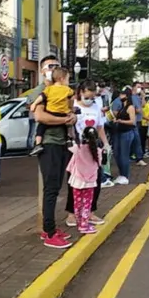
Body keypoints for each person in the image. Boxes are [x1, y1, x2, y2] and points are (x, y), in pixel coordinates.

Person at [34, 54, 77, 249]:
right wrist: (64, 120)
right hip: (48, 143)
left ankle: (50, 228)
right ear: (42, 70)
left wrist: (72, 117)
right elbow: (40, 117)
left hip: (61, 143)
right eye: (49, 66)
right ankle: (49, 232)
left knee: (57, 186)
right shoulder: (40, 92)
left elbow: (71, 109)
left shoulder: (63, 91)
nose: (53, 69)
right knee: (51, 188)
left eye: (56, 66)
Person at [64, 80, 111, 229]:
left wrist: (106, 144)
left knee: (95, 181)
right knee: (74, 182)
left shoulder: (96, 107)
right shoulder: (73, 106)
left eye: (92, 97)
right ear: (80, 92)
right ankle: (72, 213)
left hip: (93, 148)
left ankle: (90, 211)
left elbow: (100, 127)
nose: (90, 100)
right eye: (87, 96)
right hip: (77, 148)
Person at [29, 66, 74, 156]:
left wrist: (34, 104)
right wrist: (70, 109)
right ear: (62, 79)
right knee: (68, 126)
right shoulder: (67, 89)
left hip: (50, 112)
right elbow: (72, 97)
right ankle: (69, 138)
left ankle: (38, 144)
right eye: (67, 79)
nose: (68, 82)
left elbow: (41, 97)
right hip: (63, 113)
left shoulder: (49, 89)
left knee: (41, 127)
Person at [67, 125, 102, 235]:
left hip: (77, 180)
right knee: (87, 203)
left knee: (77, 202)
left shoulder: (77, 149)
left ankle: (78, 222)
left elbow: (70, 156)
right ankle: (84, 224)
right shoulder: (97, 151)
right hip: (90, 181)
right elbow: (100, 164)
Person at [112, 87, 137, 185]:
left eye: (122, 94)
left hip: (127, 133)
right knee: (117, 154)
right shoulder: (122, 106)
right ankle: (121, 174)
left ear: (127, 96)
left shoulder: (130, 107)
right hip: (119, 132)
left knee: (124, 155)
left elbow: (132, 121)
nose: (120, 96)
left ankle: (125, 175)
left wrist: (121, 121)